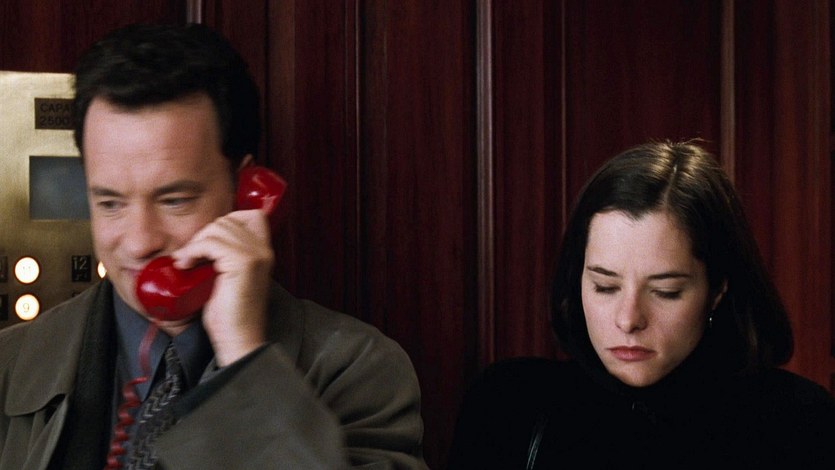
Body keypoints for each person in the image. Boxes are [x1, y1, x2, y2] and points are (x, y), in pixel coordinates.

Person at [0, 23, 427, 469]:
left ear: (245, 192)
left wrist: (243, 360)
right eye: (110, 203)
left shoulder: (358, 370)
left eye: (175, 200)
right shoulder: (10, 365)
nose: (140, 242)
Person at [447, 141, 835, 469]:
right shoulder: (508, 405)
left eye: (666, 291)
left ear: (717, 289)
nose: (628, 319)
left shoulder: (799, 423)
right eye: (604, 286)